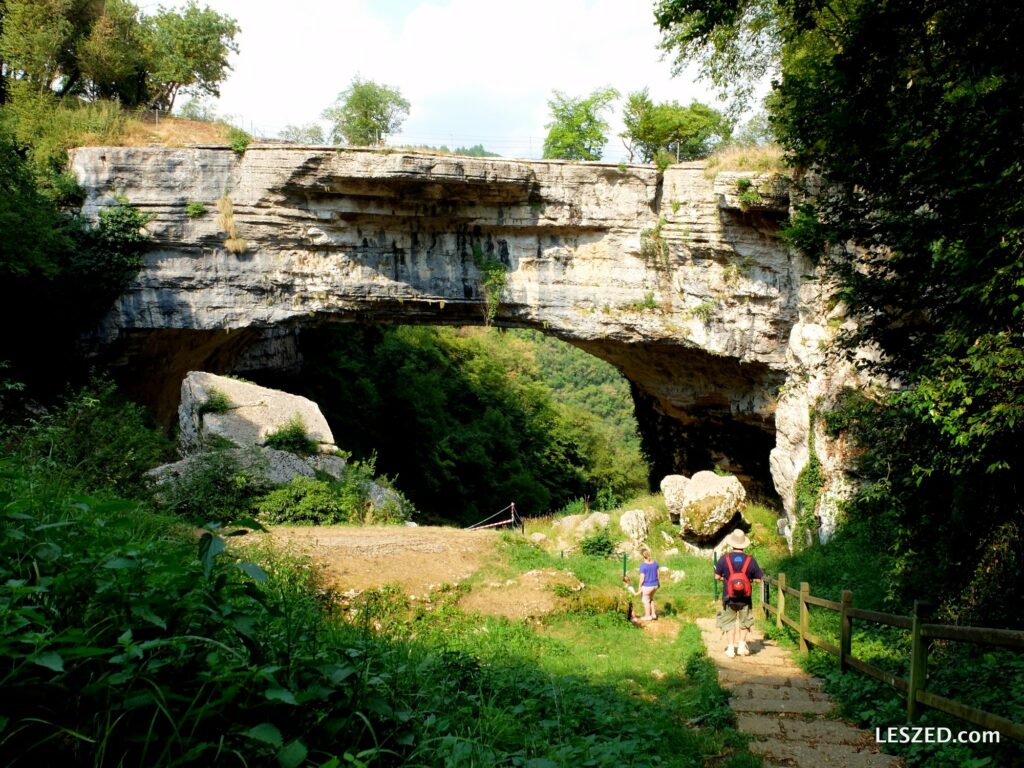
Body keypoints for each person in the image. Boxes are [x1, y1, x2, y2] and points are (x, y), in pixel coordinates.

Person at [714, 529, 764, 657]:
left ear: (732, 544)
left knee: (729, 622)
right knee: (745, 622)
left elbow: (717, 577)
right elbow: (759, 579)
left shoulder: (724, 559)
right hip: (745, 598)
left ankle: (731, 648)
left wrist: (725, 578)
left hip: (728, 597)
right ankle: (741, 646)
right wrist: (749, 579)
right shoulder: (750, 560)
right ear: (744, 544)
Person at [637, 547, 660, 621]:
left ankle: (647, 616)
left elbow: (642, 578)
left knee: (645, 600)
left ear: (642, 556)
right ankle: (653, 614)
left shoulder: (643, 565)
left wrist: (639, 587)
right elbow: (658, 574)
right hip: (655, 585)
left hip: (647, 586)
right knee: (651, 599)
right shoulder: (655, 563)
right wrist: (658, 583)